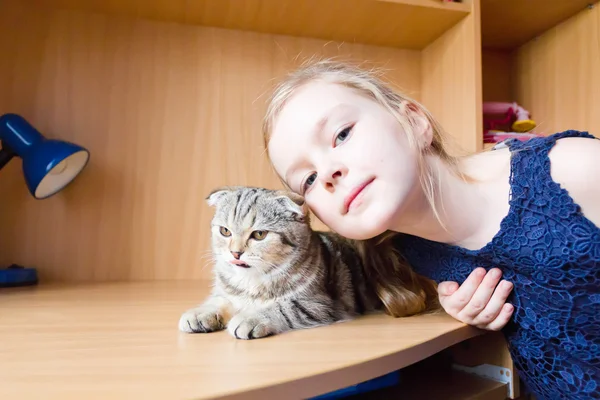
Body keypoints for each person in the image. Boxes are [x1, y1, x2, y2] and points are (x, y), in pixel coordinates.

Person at [261, 59, 600, 400]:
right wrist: (456, 308)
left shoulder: (573, 170)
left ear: (414, 120)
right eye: (308, 180)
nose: (328, 172)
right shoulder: (405, 256)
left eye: (342, 134)